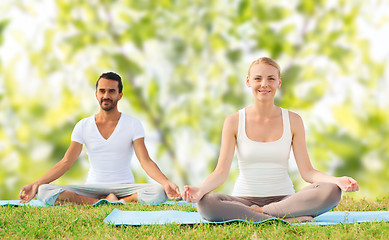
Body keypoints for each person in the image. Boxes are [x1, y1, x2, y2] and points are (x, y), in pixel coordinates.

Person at [182, 57, 359, 222]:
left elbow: (308, 172)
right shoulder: (234, 121)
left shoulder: (293, 120)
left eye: (271, 79)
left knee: (331, 191)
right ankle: (283, 218)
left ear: (279, 82)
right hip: (243, 201)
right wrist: (201, 190)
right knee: (206, 204)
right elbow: (220, 172)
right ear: (248, 81)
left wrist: (336, 180)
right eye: (258, 78)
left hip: (285, 200)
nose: (264, 84)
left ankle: (261, 216)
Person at [19, 72, 181, 205]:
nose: (106, 95)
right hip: (92, 186)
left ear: (120, 95)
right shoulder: (83, 125)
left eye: (111, 91)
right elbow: (66, 162)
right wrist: (36, 184)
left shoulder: (133, 124)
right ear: (96, 95)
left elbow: (145, 161)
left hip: (125, 186)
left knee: (158, 192)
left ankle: (115, 201)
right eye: (102, 91)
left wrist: (166, 183)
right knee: (44, 191)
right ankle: (103, 201)